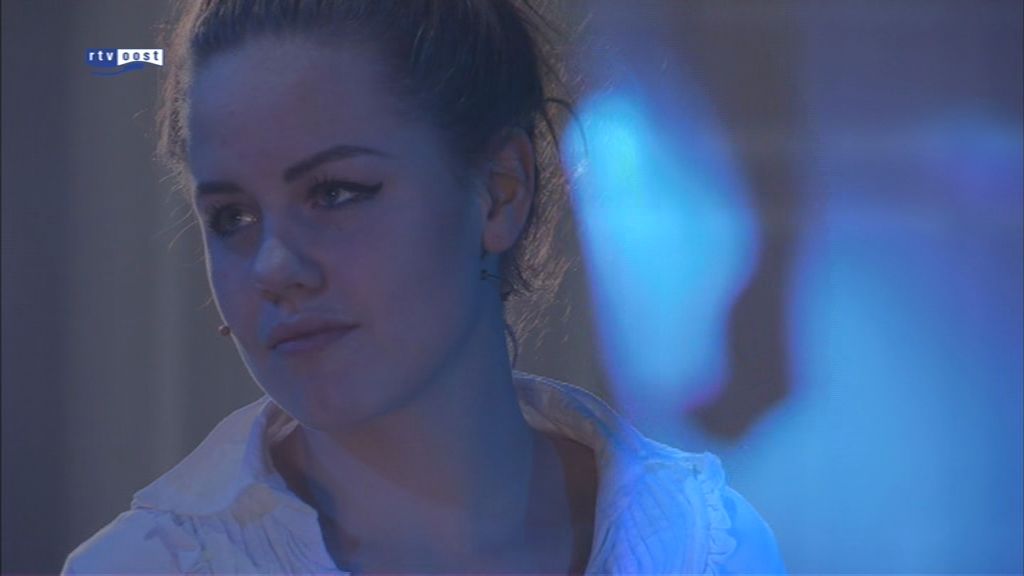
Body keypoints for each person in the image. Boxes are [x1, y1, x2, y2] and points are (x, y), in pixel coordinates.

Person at [63, 1, 787, 573]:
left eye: (335, 192)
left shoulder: (703, 545)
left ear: (499, 192)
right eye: (232, 217)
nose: (272, 268)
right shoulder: (151, 565)